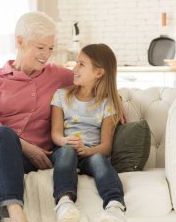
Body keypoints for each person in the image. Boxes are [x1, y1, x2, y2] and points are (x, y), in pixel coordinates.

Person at [0, 11, 74, 222]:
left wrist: (117, 104)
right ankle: (16, 211)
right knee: (3, 133)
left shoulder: (57, 75)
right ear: (20, 41)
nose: (46, 55)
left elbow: (95, 80)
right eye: (40, 47)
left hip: (17, 161)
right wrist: (25, 146)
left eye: (50, 48)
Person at [50, 43, 127, 222]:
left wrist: (88, 151)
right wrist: (64, 141)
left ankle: (115, 205)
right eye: (76, 63)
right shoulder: (61, 95)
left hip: (91, 153)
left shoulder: (107, 104)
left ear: (99, 73)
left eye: (81, 64)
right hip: (64, 149)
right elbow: (55, 133)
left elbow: (106, 147)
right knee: (68, 151)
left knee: (100, 160)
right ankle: (64, 203)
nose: (74, 69)